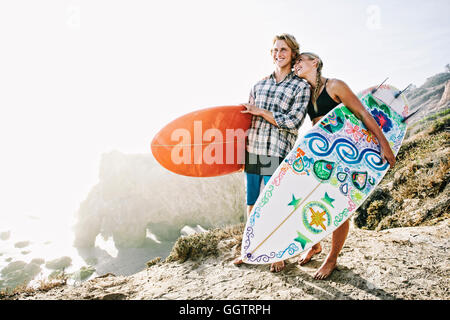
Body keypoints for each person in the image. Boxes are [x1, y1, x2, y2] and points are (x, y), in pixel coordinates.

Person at [293, 52, 396, 280]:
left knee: (340, 205)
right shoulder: (306, 94)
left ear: (315, 62)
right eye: (295, 63)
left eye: (301, 60)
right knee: (310, 199)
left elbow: (362, 113)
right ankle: (315, 245)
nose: (297, 65)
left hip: (345, 152)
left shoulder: (335, 85)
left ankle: (332, 257)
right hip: (321, 153)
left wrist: (384, 144)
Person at [233, 34, 311, 272]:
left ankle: (276, 251)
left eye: (284, 49)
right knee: (252, 204)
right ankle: (252, 249)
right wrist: (237, 152)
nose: (279, 53)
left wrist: (261, 112)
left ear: (293, 53)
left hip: (277, 151)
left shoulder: (300, 86)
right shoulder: (259, 85)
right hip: (254, 149)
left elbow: (293, 122)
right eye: (275, 50)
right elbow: (246, 120)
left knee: (273, 204)